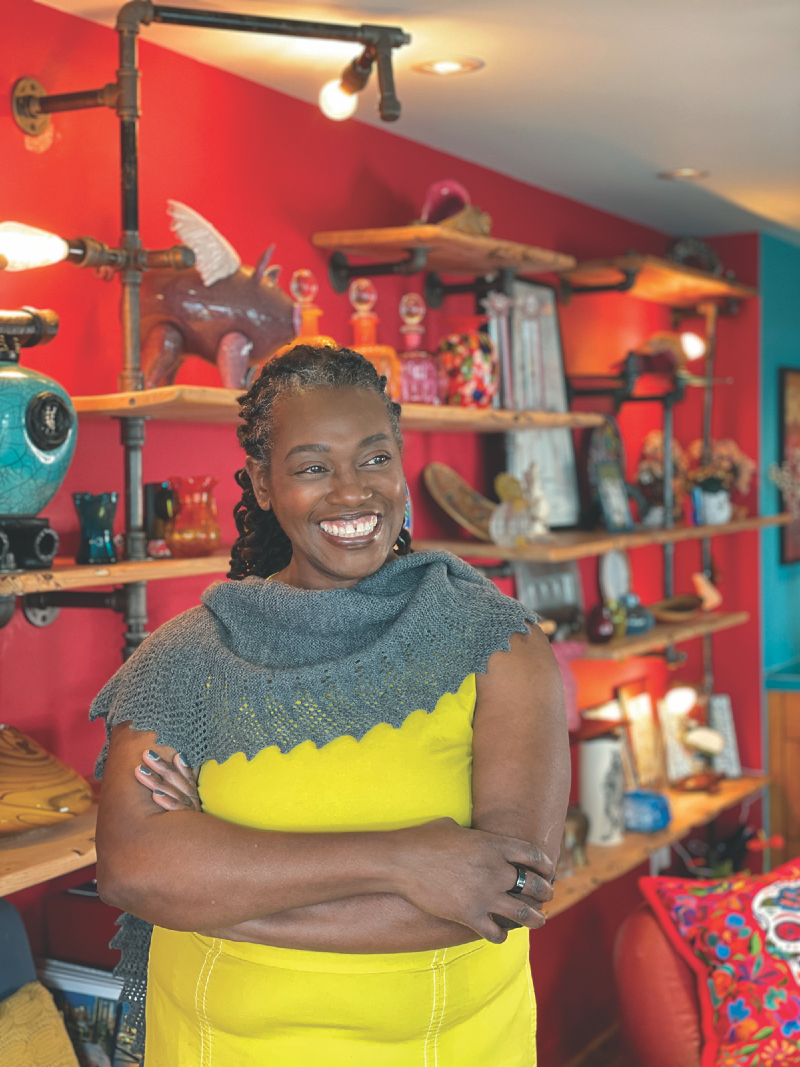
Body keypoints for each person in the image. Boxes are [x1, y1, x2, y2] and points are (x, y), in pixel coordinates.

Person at [92, 344, 570, 1066]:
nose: (353, 492)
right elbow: (134, 871)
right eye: (314, 467)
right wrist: (405, 860)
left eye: (373, 459)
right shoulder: (185, 658)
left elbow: (505, 890)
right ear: (261, 480)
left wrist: (219, 892)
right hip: (217, 1048)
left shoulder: (495, 642)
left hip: (447, 1047)